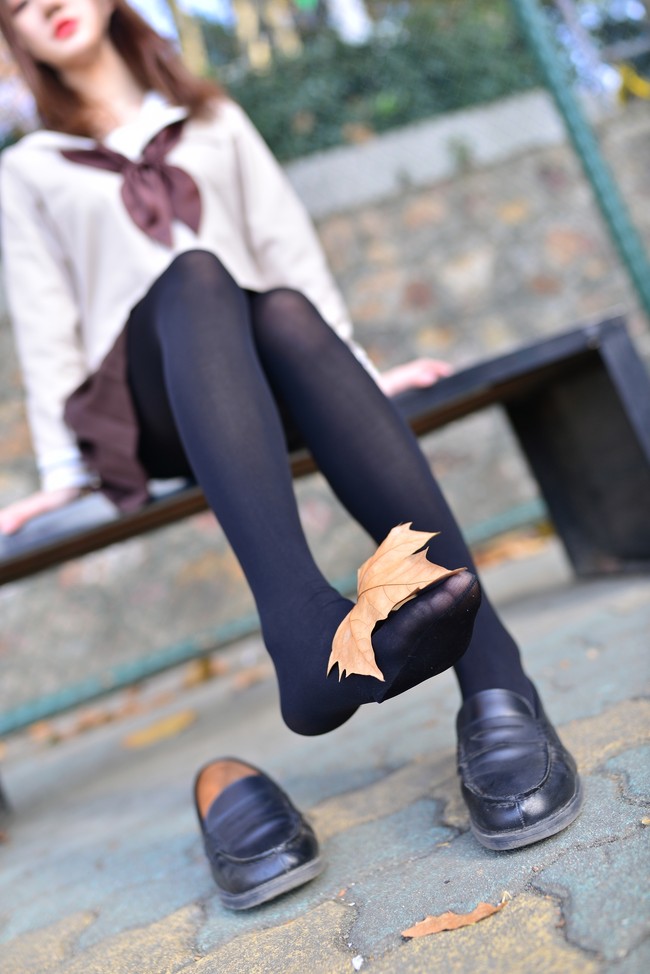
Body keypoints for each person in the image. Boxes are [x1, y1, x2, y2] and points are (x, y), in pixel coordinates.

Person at [0, 0, 582, 905]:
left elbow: (290, 257)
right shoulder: (31, 167)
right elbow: (45, 322)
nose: (45, 4)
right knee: (194, 274)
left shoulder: (213, 117)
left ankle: (493, 679)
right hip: (147, 401)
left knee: (280, 308)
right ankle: (303, 624)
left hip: (267, 369)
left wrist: (357, 375)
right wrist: (65, 477)